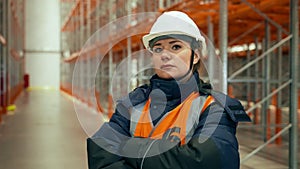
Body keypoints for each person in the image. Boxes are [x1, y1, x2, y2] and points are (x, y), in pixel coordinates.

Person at [87, 11, 251, 169]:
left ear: (195, 56)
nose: (165, 55)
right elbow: (101, 151)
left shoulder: (214, 107)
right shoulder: (133, 103)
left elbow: (205, 161)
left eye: (176, 47)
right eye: (158, 49)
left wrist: (128, 146)